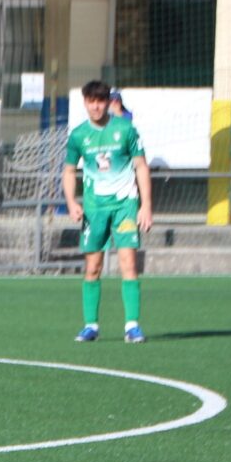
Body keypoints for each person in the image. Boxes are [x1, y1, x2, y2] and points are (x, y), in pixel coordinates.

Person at [64, 79, 152, 343]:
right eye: (91, 101)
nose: (96, 106)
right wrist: (71, 201)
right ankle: (91, 325)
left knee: (128, 264)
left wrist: (146, 205)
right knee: (93, 267)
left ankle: (132, 326)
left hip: (125, 205)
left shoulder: (126, 130)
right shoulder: (79, 135)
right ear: (85, 103)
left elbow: (141, 167)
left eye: (100, 101)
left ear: (108, 102)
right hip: (94, 209)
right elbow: (69, 171)